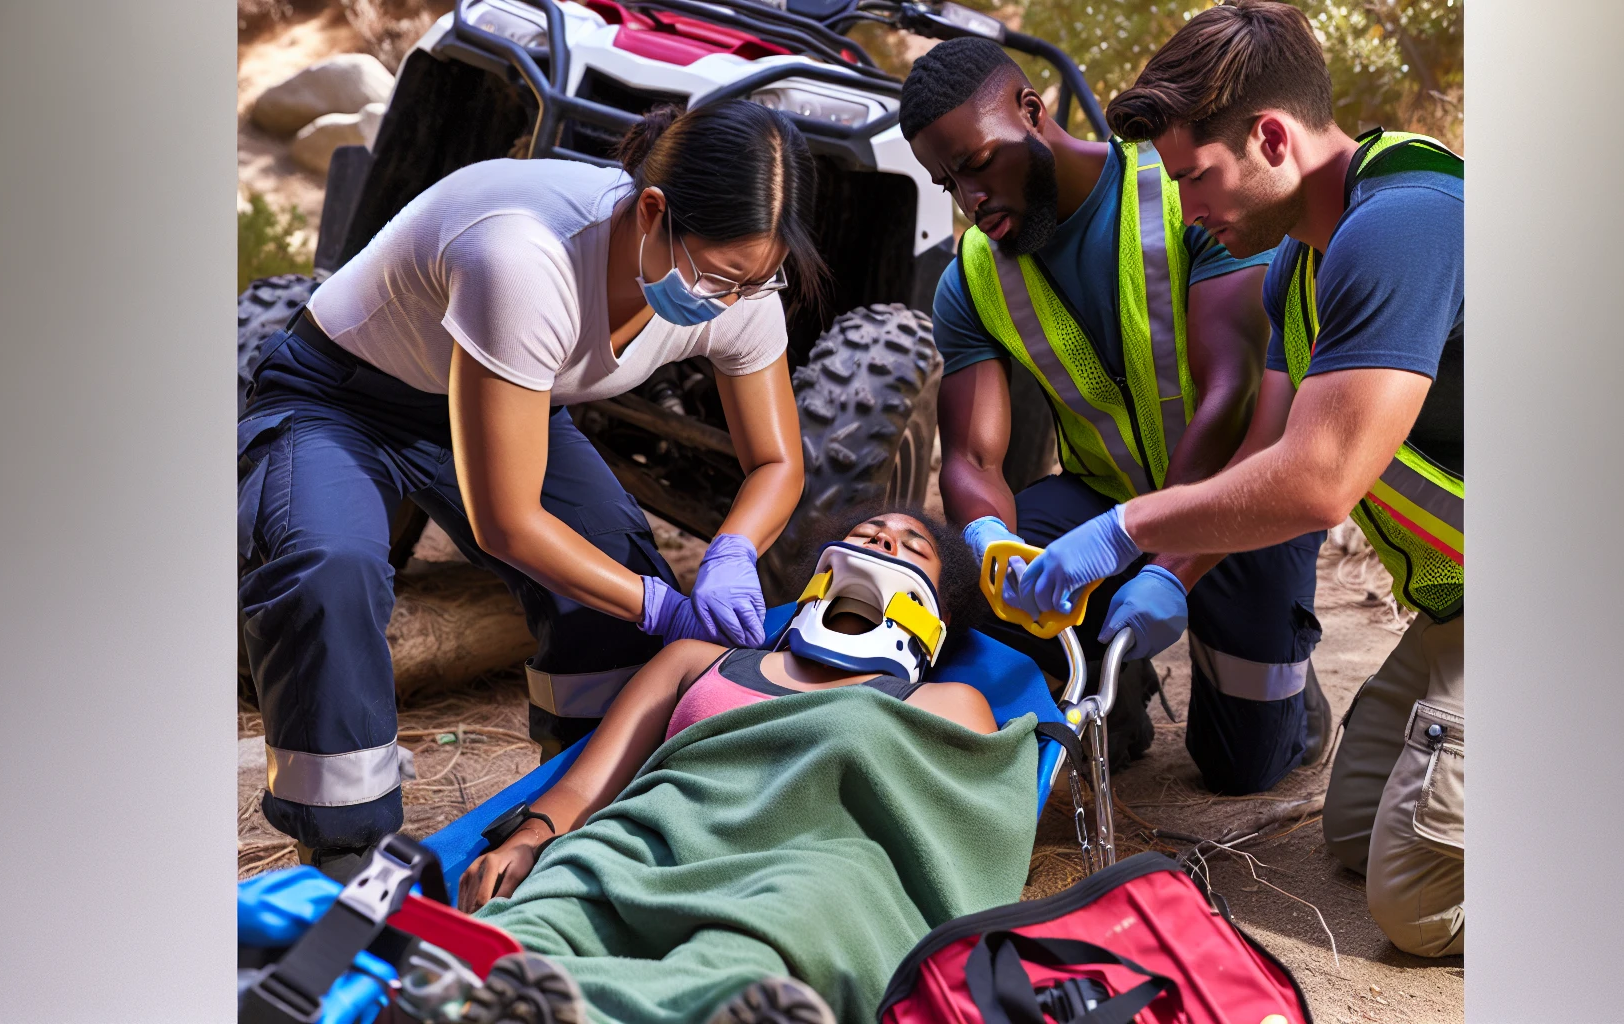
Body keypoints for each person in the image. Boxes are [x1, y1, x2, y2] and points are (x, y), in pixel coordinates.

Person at [238, 101, 819, 878]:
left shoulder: (739, 286)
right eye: (719, 276)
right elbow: (507, 521)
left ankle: (573, 806)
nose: (731, 301)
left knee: (613, 560)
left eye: (758, 278)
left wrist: (734, 550)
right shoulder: (523, 254)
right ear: (652, 212)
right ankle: (346, 856)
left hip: (505, 396)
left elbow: (778, 463)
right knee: (329, 567)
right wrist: (662, 605)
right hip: (339, 396)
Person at [1013, 0, 1463, 956]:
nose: (1186, 208)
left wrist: (1125, 527)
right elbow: (1266, 455)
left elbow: (1319, 481)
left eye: (1194, 176)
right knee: (1350, 835)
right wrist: (1167, 579)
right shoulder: (1292, 271)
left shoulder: (1408, 221)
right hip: (1461, 607)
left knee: (1416, 905)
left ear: (1270, 136)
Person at [897, 38, 1330, 795]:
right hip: (1099, 499)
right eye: (947, 183)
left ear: (1032, 113)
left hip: (1236, 496)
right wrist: (991, 541)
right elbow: (972, 459)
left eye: (976, 163)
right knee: (989, 590)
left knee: (1243, 768)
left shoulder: (1189, 191)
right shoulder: (969, 278)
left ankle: (1296, 706)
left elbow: (1233, 393)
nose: (970, 198)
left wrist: (1162, 558)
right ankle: (1111, 700)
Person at [458, 511, 1014, 1024]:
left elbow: (948, 841)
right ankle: (493, 995)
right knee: (536, 920)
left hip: (800, 872)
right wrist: (529, 838)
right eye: (867, 532)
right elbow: (585, 786)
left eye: (914, 547)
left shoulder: (945, 703)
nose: (883, 540)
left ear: (937, 614)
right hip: (642, 850)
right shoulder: (696, 660)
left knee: (768, 944)